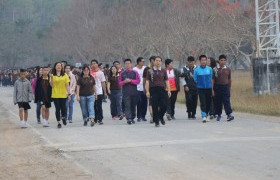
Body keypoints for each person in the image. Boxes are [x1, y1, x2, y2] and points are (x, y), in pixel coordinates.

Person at [145, 56, 171, 127]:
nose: (158, 62)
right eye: (156, 60)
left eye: (159, 61)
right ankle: (156, 121)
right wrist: (147, 91)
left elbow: (166, 81)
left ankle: (160, 116)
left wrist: (169, 90)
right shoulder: (150, 71)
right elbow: (147, 82)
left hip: (162, 89)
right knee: (155, 106)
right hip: (153, 89)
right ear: (154, 62)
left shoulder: (163, 70)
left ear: (161, 62)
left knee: (164, 105)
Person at [213, 55, 234, 121]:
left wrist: (229, 87)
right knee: (218, 101)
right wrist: (212, 89)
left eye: (224, 60)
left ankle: (229, 114)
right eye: (221, 60)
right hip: (217, 87)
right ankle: (219, 115)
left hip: (226, 87)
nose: (223, 62)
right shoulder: (215, 69)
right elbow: (213, 80)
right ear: (219, 61)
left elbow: (229, 79)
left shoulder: (228, 69)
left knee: (226, 101)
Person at [119, 59, 140, 125]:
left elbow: (138, 81)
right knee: (127, 105)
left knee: (133, 105)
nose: (127, 65)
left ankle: (133, 117)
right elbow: (119, 83)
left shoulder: (135, 72)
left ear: (131, 64)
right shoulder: (122, 73)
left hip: (134, 92)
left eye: (128, 63)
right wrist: (124, 82)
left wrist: (131, 81)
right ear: (124, 65)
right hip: (125, 92)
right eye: (126, 64)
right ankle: (129, 118)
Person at [50, 62, 71, 128]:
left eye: (60, 65)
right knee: (57, 109)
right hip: (55, 95)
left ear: (62, 67)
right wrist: (52, 78)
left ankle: (64, 117)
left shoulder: (65, 75)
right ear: (55, 67)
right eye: (57, 65)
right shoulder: (52, 75)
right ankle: (59, 122)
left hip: (63, 95)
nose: (59, 66)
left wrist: (69, 94)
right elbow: (52, 85)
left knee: (64, 108)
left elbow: (67, 85)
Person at [194, 55, 213, 123]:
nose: (204, 61)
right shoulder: (196, 70)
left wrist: (212, 88)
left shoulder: (209, 69)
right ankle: (204, 116)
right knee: (203, 102)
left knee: (208, 102)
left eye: (205, 60)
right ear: (200, 61)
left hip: (208, 88)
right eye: (202, 60)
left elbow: (211, 79)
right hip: (200, 88)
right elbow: (195, 79)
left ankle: (206, 114)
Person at [90, 59, 107, 125]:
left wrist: (105, 92)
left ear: (97, 64)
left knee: (99, 106)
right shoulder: (89, 72)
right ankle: (94, 118)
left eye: (95, 63)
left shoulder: (101, 73)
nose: (93, 65)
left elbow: (103, 82)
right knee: (93, 106)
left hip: (99, 91)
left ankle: (100, 119)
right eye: (92, 63)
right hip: (91, 92)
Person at [133, 57, 148, 122]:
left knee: (145, 102)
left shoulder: (145, 68)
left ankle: (143, 116)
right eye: (142, 61)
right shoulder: (134, 69)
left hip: (144, 88)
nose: (143, 62)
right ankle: (139, 116)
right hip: (137, 88)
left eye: (144, 61)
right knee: (138, 102)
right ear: (138, 62)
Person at [143, 56, 156, 123]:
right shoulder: (146, 69)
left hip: (158, 88)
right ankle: (152, 116)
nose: (156, 62)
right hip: (150, 88)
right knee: (151, 103)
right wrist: (145, 89)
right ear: (151, 61)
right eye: (155, 60)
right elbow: (144, 80)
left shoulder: (158, 69)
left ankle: (155, 115)